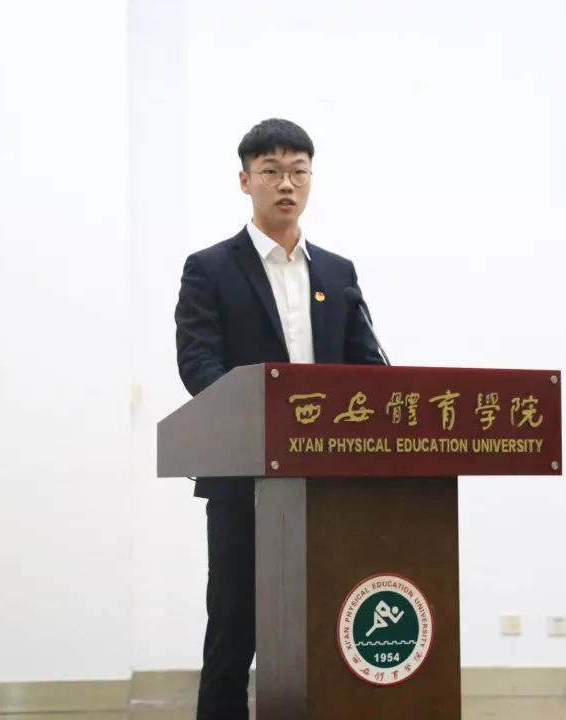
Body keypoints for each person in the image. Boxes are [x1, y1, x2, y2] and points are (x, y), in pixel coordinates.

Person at [174, 118, 385, 720]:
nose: (286, 184)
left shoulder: (337, 273)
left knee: (330, 622)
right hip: (245, 480)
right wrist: (263, 417)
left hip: (331, 482)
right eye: (270, 172)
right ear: (245, 181)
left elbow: (367, 367)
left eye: (298, 171)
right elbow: (198, 364)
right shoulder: (210, 268)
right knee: (234, 627)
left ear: (311, 178)